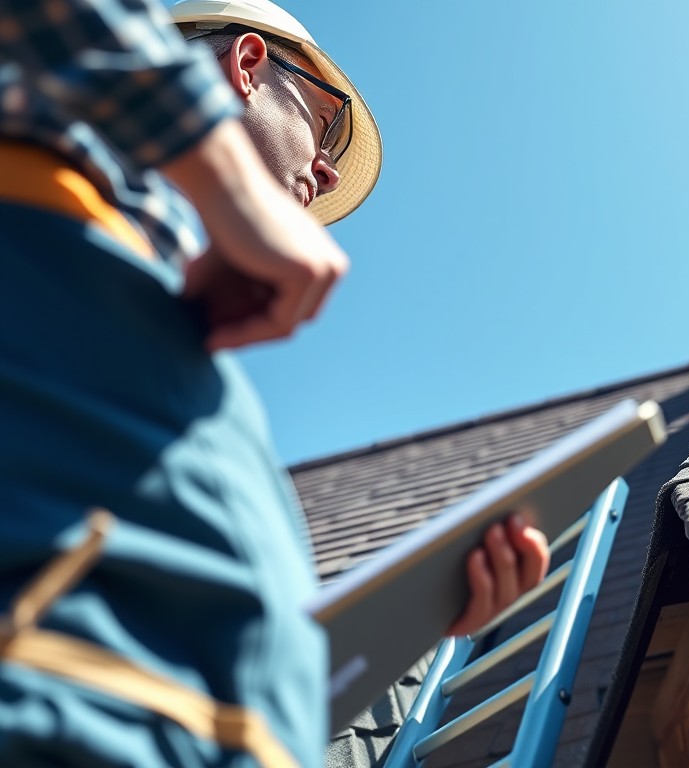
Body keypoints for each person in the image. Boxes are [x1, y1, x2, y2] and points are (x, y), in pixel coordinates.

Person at [0, 0, 549, 766]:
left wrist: (406, 622)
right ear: (248, 66)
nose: (324, 176)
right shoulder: (33, 138)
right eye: (323, 127)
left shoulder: (153, 312)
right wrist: (222, 171)